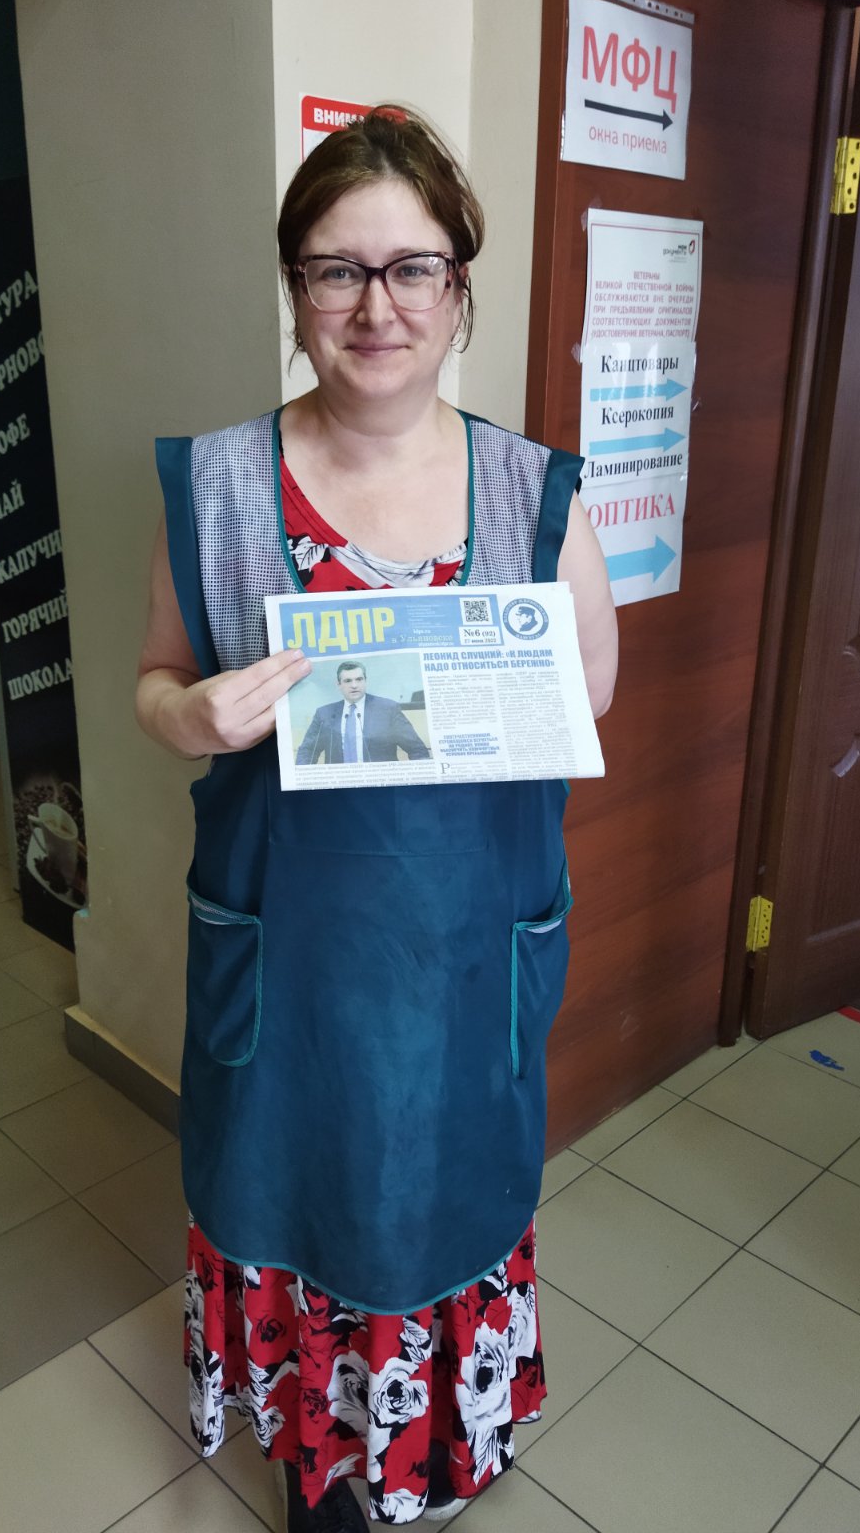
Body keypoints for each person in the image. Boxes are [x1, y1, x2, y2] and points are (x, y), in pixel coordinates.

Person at [136, 106, 617, 1530]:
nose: (376, 305)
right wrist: (191, 716)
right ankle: (322, 1464)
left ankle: (429, 1445)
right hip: (287, 962)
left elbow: (589, 693)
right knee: (294, 1188)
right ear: (296, 291)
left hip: (465, 953)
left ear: (459, 289)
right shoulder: (221, 482)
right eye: (337, 270)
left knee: (441, 1189)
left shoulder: (531, 489)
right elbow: (154, 682)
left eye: (413, 268)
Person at [296, 661, 430, 765]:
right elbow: (307, 751)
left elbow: (417, 750)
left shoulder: (388, 709)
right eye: (348, 681)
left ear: (366, 681)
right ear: (339, 685)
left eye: (359, 679)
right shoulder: (324, 713)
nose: (354, 685)